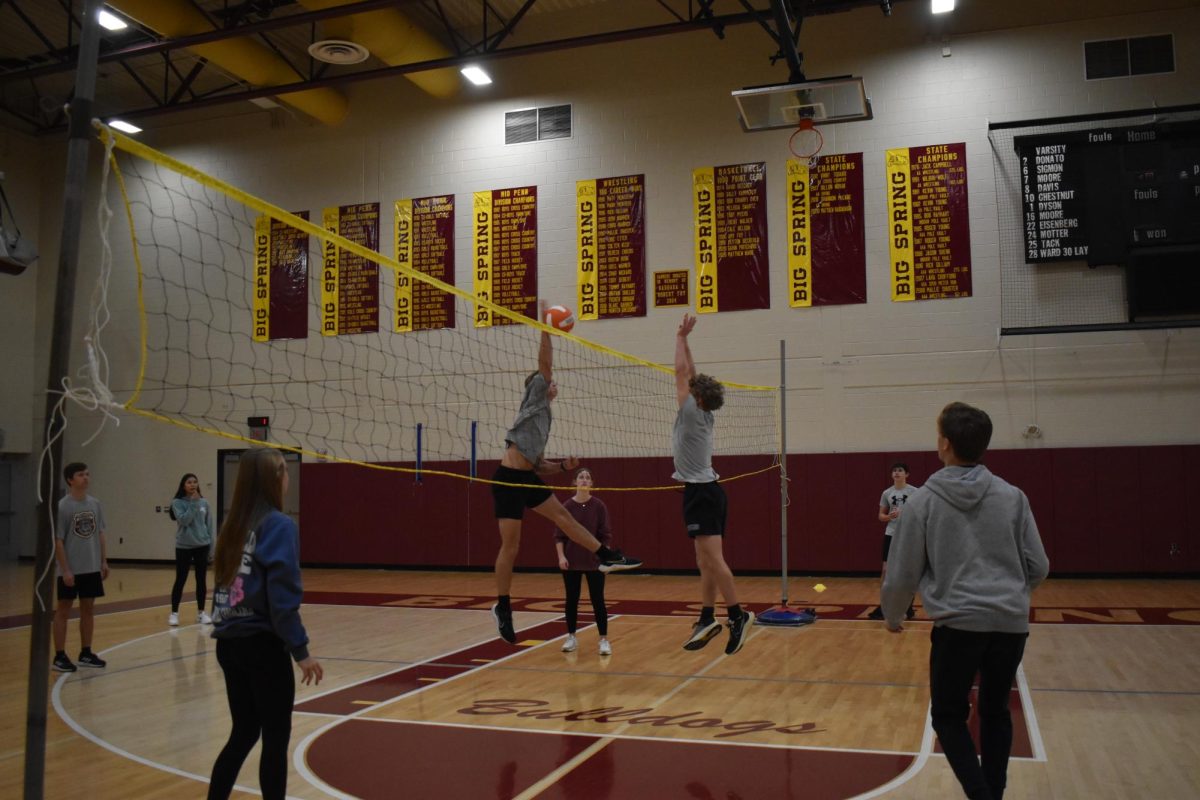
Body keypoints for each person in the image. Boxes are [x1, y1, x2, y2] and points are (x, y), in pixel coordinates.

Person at [882, 402, 1049, 800]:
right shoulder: (1012, 497)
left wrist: (892, 615)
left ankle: (981, 795)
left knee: (948, 715)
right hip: (1010, 626)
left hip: (958, 627)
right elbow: (1038, 565)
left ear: (944, 442)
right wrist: (1008, 594)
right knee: (995, 713)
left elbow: (903, 572)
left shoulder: (922, 503)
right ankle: (994, 792)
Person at [491, 301, 642, 644]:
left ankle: (606, 556)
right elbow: (544, 364)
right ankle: (503, 606)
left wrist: (563, 467)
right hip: (507, 481)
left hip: (527, 477)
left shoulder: (545, 419)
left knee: (564, 516)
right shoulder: (535, 399)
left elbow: (539, 465)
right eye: (550, 382)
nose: (554, 384)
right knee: (511, 547)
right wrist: (547, 327)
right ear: (538, 387)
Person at [208, 448, 322, 800]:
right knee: (275, 740)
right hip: (262, 646)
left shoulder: (233, 524)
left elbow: (223, 589)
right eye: (284, 472)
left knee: (243, 732)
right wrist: (300, 650)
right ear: (273, 480)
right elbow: (282, 598)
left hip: (228, 643)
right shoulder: (279, 524)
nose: (288, 479)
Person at [673, 313, 755, 655]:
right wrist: (688, 342)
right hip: (709, 490)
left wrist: (679, 337)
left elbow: (681, 374)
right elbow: (691, 374)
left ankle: (737, 614)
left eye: (694, 390)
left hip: (701, 493)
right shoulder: (704, 412)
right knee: (704, 560)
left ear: (699, 398)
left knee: (714, 560)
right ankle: (707, 616)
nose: (688, 389)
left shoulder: (692, 411)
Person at [52, 462, 110, 672]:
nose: (86, 478)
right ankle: (59, 656)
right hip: (71, 569)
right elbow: (58, 540)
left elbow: (100, 533)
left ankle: (86, 652)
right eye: (80, 475)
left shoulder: (95, 504)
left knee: (88, 608)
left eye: (87, 474)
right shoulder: (62, 506)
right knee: (63, 610)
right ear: (70, 479)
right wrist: (65, 569)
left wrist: (103, 561)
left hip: (92, 567)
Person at [554, 468, 613, 656]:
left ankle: (603, 639)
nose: (585, 480)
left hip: (594, 562)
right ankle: (571, 637)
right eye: (581, 477)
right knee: (572, 600)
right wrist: (561, 557)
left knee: (598, 600)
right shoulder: (566, 507)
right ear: (574, 482)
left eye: (588, 477)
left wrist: (605, 559)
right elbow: (558, 536)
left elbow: (605, 536)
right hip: (572, 562)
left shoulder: (599, 506)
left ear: (592, 484)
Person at [868, 462, 918, 621]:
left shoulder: (914, 492)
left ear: (907, 474)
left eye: (900, 470)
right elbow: (880, 515)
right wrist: (889, 517)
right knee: (886, 570)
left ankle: (907, 606)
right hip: (891, 534)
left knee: (906, 571)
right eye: (894, 471)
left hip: (908, 535)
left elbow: (921, 512)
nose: (897, 473)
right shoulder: (887, 493)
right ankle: (885, 604)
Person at [168, 472, 216, 626]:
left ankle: (201, 613)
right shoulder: (177, 502)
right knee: (180, 579)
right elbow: (184, 520)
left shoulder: (205, 503)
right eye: (189, 482)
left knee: (201, 580)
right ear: (183, 485)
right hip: (184, 547)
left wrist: (211, 549)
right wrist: (194, 504)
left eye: (195, 482)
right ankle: (174, 613)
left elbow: (209, 526)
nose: (193, 485)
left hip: (202, 546)